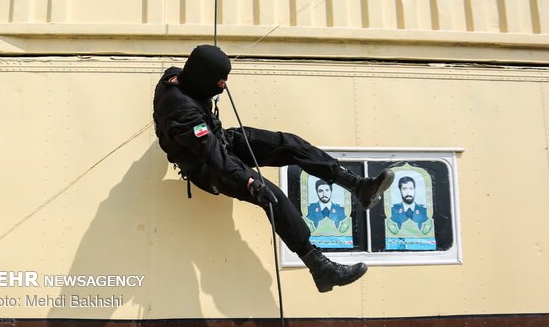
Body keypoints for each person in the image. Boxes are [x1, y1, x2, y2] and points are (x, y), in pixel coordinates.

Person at [152, 45, 395, 293]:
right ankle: (320, 268)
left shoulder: (176, 76)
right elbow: (214, 157)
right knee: (271, 196)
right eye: (219, 81)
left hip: (220, 141)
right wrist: (250, 183)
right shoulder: (181, 111)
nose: (223, 86)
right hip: (207, 166)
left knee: (288, 144)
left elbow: (211, 136)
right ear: (202, 79)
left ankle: (357, 186)